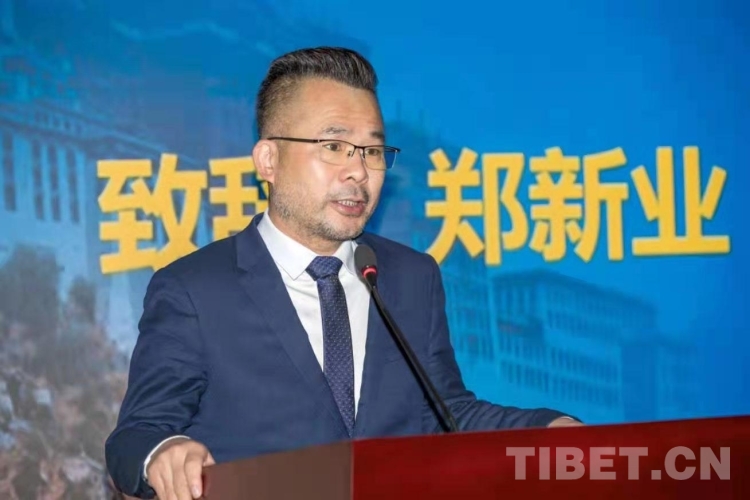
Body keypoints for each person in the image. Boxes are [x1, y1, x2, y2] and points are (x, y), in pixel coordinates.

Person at [105, 46, 582, 500]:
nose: (359, 172)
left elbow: (447, 413)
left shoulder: (411, 277)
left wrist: (544, 429)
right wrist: (163, 451)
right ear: (268, 160)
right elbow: (136, 435)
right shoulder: (195, 288)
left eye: (372, 151)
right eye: (334, 146)